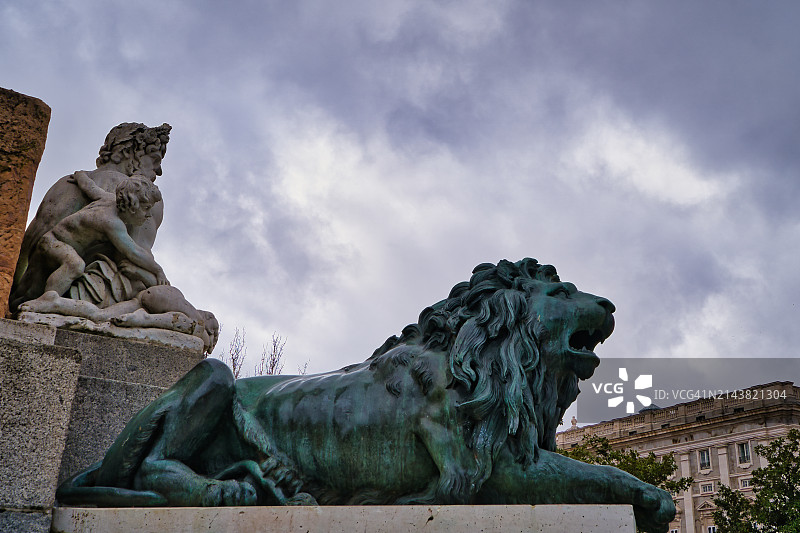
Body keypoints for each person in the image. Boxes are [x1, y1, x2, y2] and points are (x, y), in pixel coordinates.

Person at [11, 172, 167, 310]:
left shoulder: (108, 198)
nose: (148, 215)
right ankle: (48, 299)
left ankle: (42, 299)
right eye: (146, 208)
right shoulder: (111, 223)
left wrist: (80, 176)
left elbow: (89, 187)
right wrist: (157, 270)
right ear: (132, 203)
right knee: (75, 266)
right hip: (53, 243)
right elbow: (133, 251)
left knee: (32, 287)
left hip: (58, 244)